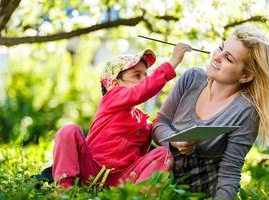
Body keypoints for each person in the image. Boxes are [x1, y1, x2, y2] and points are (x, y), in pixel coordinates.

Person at [152, 24, 269, 200]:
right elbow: (158, 124)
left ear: (245, 76)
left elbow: (230, 172)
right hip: (157, 175)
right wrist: (174, 139)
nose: (217, 56)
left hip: (198, 189)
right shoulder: (191, 78)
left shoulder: (245, 111)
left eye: (228, 58)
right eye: (221, 47)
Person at [52, 43, 192, 188]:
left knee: (162, 154)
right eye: (137, 75)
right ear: (114, 83)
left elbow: (154, 137)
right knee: (69, 130)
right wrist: (173, 62)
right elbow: (142, 91)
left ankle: (135, 196)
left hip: (121, 179)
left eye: (145, 75)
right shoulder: (112, 97)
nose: (144, 80)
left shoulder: (144, 122)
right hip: (90, 170)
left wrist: (178, 139)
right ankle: (65, 189)